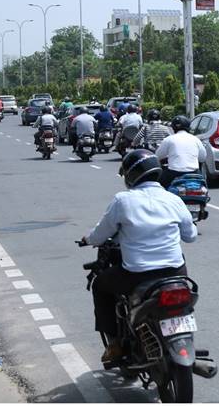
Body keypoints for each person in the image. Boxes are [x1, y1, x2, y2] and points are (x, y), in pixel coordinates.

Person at [82, 149, 196, 363]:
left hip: (137, 275)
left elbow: (101, 234)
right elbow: (190, 236)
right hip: (176, 273)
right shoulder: (173, 199)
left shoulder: (123, 200)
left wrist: (88, 240)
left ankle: (115, 344)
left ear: (130, 175)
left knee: (100, 285)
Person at [155, 115, 206, 188]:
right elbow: (203, 158)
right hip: (194, 173)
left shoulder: (168, 139)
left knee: (159, 186)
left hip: (174, 173)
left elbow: (157, 156)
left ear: (173, 127)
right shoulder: (196, 139)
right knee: (203, 185)